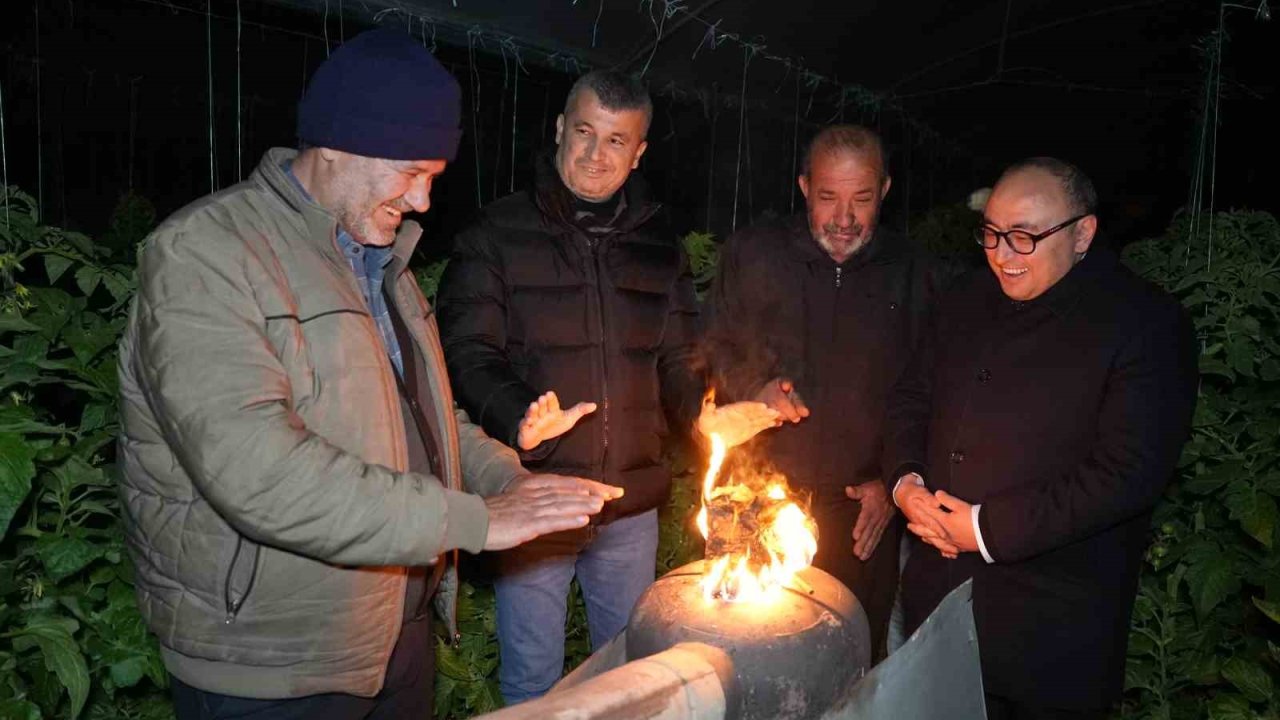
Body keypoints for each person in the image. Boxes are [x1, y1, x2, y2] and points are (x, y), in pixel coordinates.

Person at [116, 28, 621, 720]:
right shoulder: (205, 255)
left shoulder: (382, 263)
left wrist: (515, 482)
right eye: (409, 172)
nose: (420, 202)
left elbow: (427, 418)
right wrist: (476, 521)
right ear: (334, 147)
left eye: (432, 180)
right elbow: (257, 472)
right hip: (270, 661)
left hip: (391, 633)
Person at [436, 69, 775, 704]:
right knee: (533, 686)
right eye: (585, 132)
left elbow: (678, 359)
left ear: (639, 151)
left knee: (625, 675)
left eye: (617, 141)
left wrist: (702, 419)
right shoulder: (495, 232)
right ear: (560, 129)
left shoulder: (658, 245)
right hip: (538, 498)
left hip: (629, 506)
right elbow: (467, 348)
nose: (596, 154)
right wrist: (517, 416)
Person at [886, 158, 1198, 718]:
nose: (1002, 255)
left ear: (1083, 233)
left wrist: (982, 529)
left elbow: (1127, 473)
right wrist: (905, 481)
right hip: (934, 608)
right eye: (992, 233)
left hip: (1047, 633)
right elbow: (911, 397)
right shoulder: (963, 299)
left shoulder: (1145, 324)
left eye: (1025, 237)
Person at [704, 125, 935, 657]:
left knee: (850, 658)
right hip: (756, 501)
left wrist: (893, 479)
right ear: (805, 186)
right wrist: (753, 390)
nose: (845, 218)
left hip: (861, 514)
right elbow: (710, 351)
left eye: (862, 199)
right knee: (749, 658)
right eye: (829, 197)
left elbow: (930, 392)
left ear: (886, 191)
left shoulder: (913, 272)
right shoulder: (754, 253)